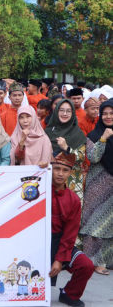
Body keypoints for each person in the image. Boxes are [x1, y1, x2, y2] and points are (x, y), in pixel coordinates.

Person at [49, 152, 94, 307]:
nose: (60, 174)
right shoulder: (37, 190)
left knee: (86, 265)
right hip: (38, 243)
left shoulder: (73, 200)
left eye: (65, 170)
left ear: (70, 173)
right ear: (50, 169)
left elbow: (70, 233)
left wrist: (59, 259)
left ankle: (69, 294)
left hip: (61, 242)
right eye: (56, 169)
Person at [80, 99, 113, 275]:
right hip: (98, 185)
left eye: (111, 113)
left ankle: (107, 260)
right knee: (95, 223)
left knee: (110, 224)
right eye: (105, 113)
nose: (107, 116)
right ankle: (93, 261)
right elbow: (93, 157)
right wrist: (103, 138)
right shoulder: (94, 135)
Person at [45, 99, 87, 200]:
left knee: (71, 213)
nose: (65, 114)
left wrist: (66, 148)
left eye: (68, 111)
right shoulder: (47, 131)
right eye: (61, 110)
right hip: (50, 180)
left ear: (73, 113)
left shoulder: (77, 134)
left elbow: (81, 157)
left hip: (71, 182)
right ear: (56, 112)